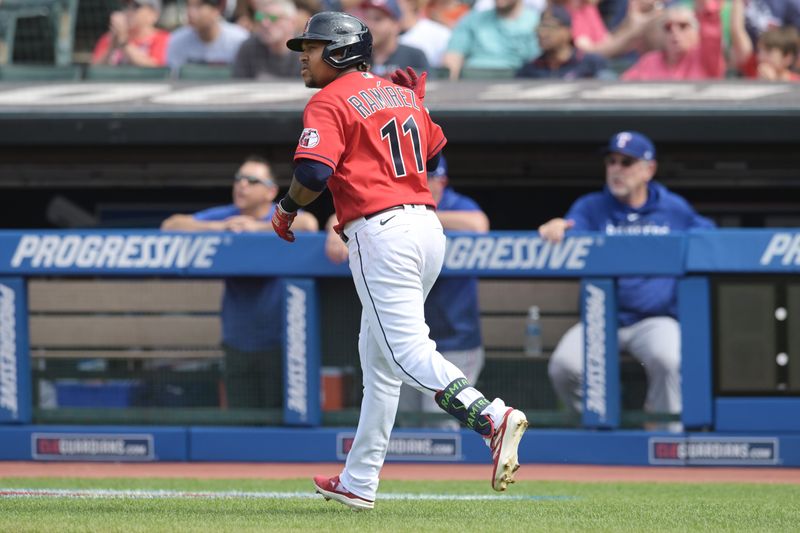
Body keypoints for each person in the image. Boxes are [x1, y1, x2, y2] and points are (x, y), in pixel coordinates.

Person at [271, 12, 527, 509]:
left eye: (315, 46)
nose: (304, 55)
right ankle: (359, 479)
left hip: (381, 231)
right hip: (427, 228)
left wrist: (285, 208)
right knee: (380, 361)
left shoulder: (328, 98)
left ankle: (490, 416)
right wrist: (409, 105)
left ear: (342, 52)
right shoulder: (401, 93)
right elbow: (430, 152)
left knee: (406, 350)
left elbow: (312, 172)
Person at [539, 131, 716, 429]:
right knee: (564, 366)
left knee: (667, 358)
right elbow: (571, 230)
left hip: (655, 320)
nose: (616, 169)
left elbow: (709, 237)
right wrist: (558, 225)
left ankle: (667, 435)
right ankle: (600, 428)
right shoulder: (591, 207)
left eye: (627, 162)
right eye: (611, 161)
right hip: (602, 319)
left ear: (649, 169)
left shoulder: (673, 209)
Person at [324, 155, 490, 429]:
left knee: (440, 425)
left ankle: (493, 419)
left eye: (430, 177)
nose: (423, 180)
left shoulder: (455, 204)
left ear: (442, 181)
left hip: (456, 340)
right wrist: (337, 224)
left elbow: (479, 224)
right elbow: (349, 209)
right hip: (404, 340)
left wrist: (419, 215)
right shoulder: (390, 199)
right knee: (407, 424)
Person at [160, 155, 318, 409]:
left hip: (282, 341)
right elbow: (171, 224)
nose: (241, 185)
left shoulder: (279, 213)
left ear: (270, 191)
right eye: (238, 179)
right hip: (238, 339)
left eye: (251, 180)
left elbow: (309, 224)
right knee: (243, 418)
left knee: (281, 420)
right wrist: (219, 227)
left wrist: (257, 228)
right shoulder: (229, 215)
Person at [621, 0, 725, 80]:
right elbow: (622, 87)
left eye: (683, 26)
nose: (674, 32)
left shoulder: (706, 58)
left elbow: (712, 26)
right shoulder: (650, 60)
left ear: (697, 32)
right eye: (668, 27)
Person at [441, 0, 540, 80]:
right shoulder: (472, 19)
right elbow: (453, 57)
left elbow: (539, 62)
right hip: (473, 79)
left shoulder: (537, 22)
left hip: (515, 80)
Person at [516, 5, 615, 79]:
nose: (542, 33)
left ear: (568, 31)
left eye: (550, 27)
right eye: (540, 27)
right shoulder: (530, 69)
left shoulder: (591, 63)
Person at [166, 0, 249, 74]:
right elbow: (173, 78)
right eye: (188, 5)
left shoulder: (239, 40)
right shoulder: (177, 40)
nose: (190, 13)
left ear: (216, 10)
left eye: (198, 6)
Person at [352, 0, 430, 78]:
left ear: (396, 24)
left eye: (377, 19)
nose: (369, 25)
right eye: (366, 18)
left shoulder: (414, 56)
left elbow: (429, 87)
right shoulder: (356, 56)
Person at [233, 0, 301, 78]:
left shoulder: (306, 49)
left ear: (292, 22)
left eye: (273, 18)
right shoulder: (249, 47)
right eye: (260, 17)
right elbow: (239, 85)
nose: (264, 23)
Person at [91, 0, 171, 67]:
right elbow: (94, 69)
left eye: (135, 6)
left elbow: (156, 69)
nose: (128, 11)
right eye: (126, 6)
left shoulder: (165, 39)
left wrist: (124, 42)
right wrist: (112, 46)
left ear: (153, 14)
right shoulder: (109, 38)